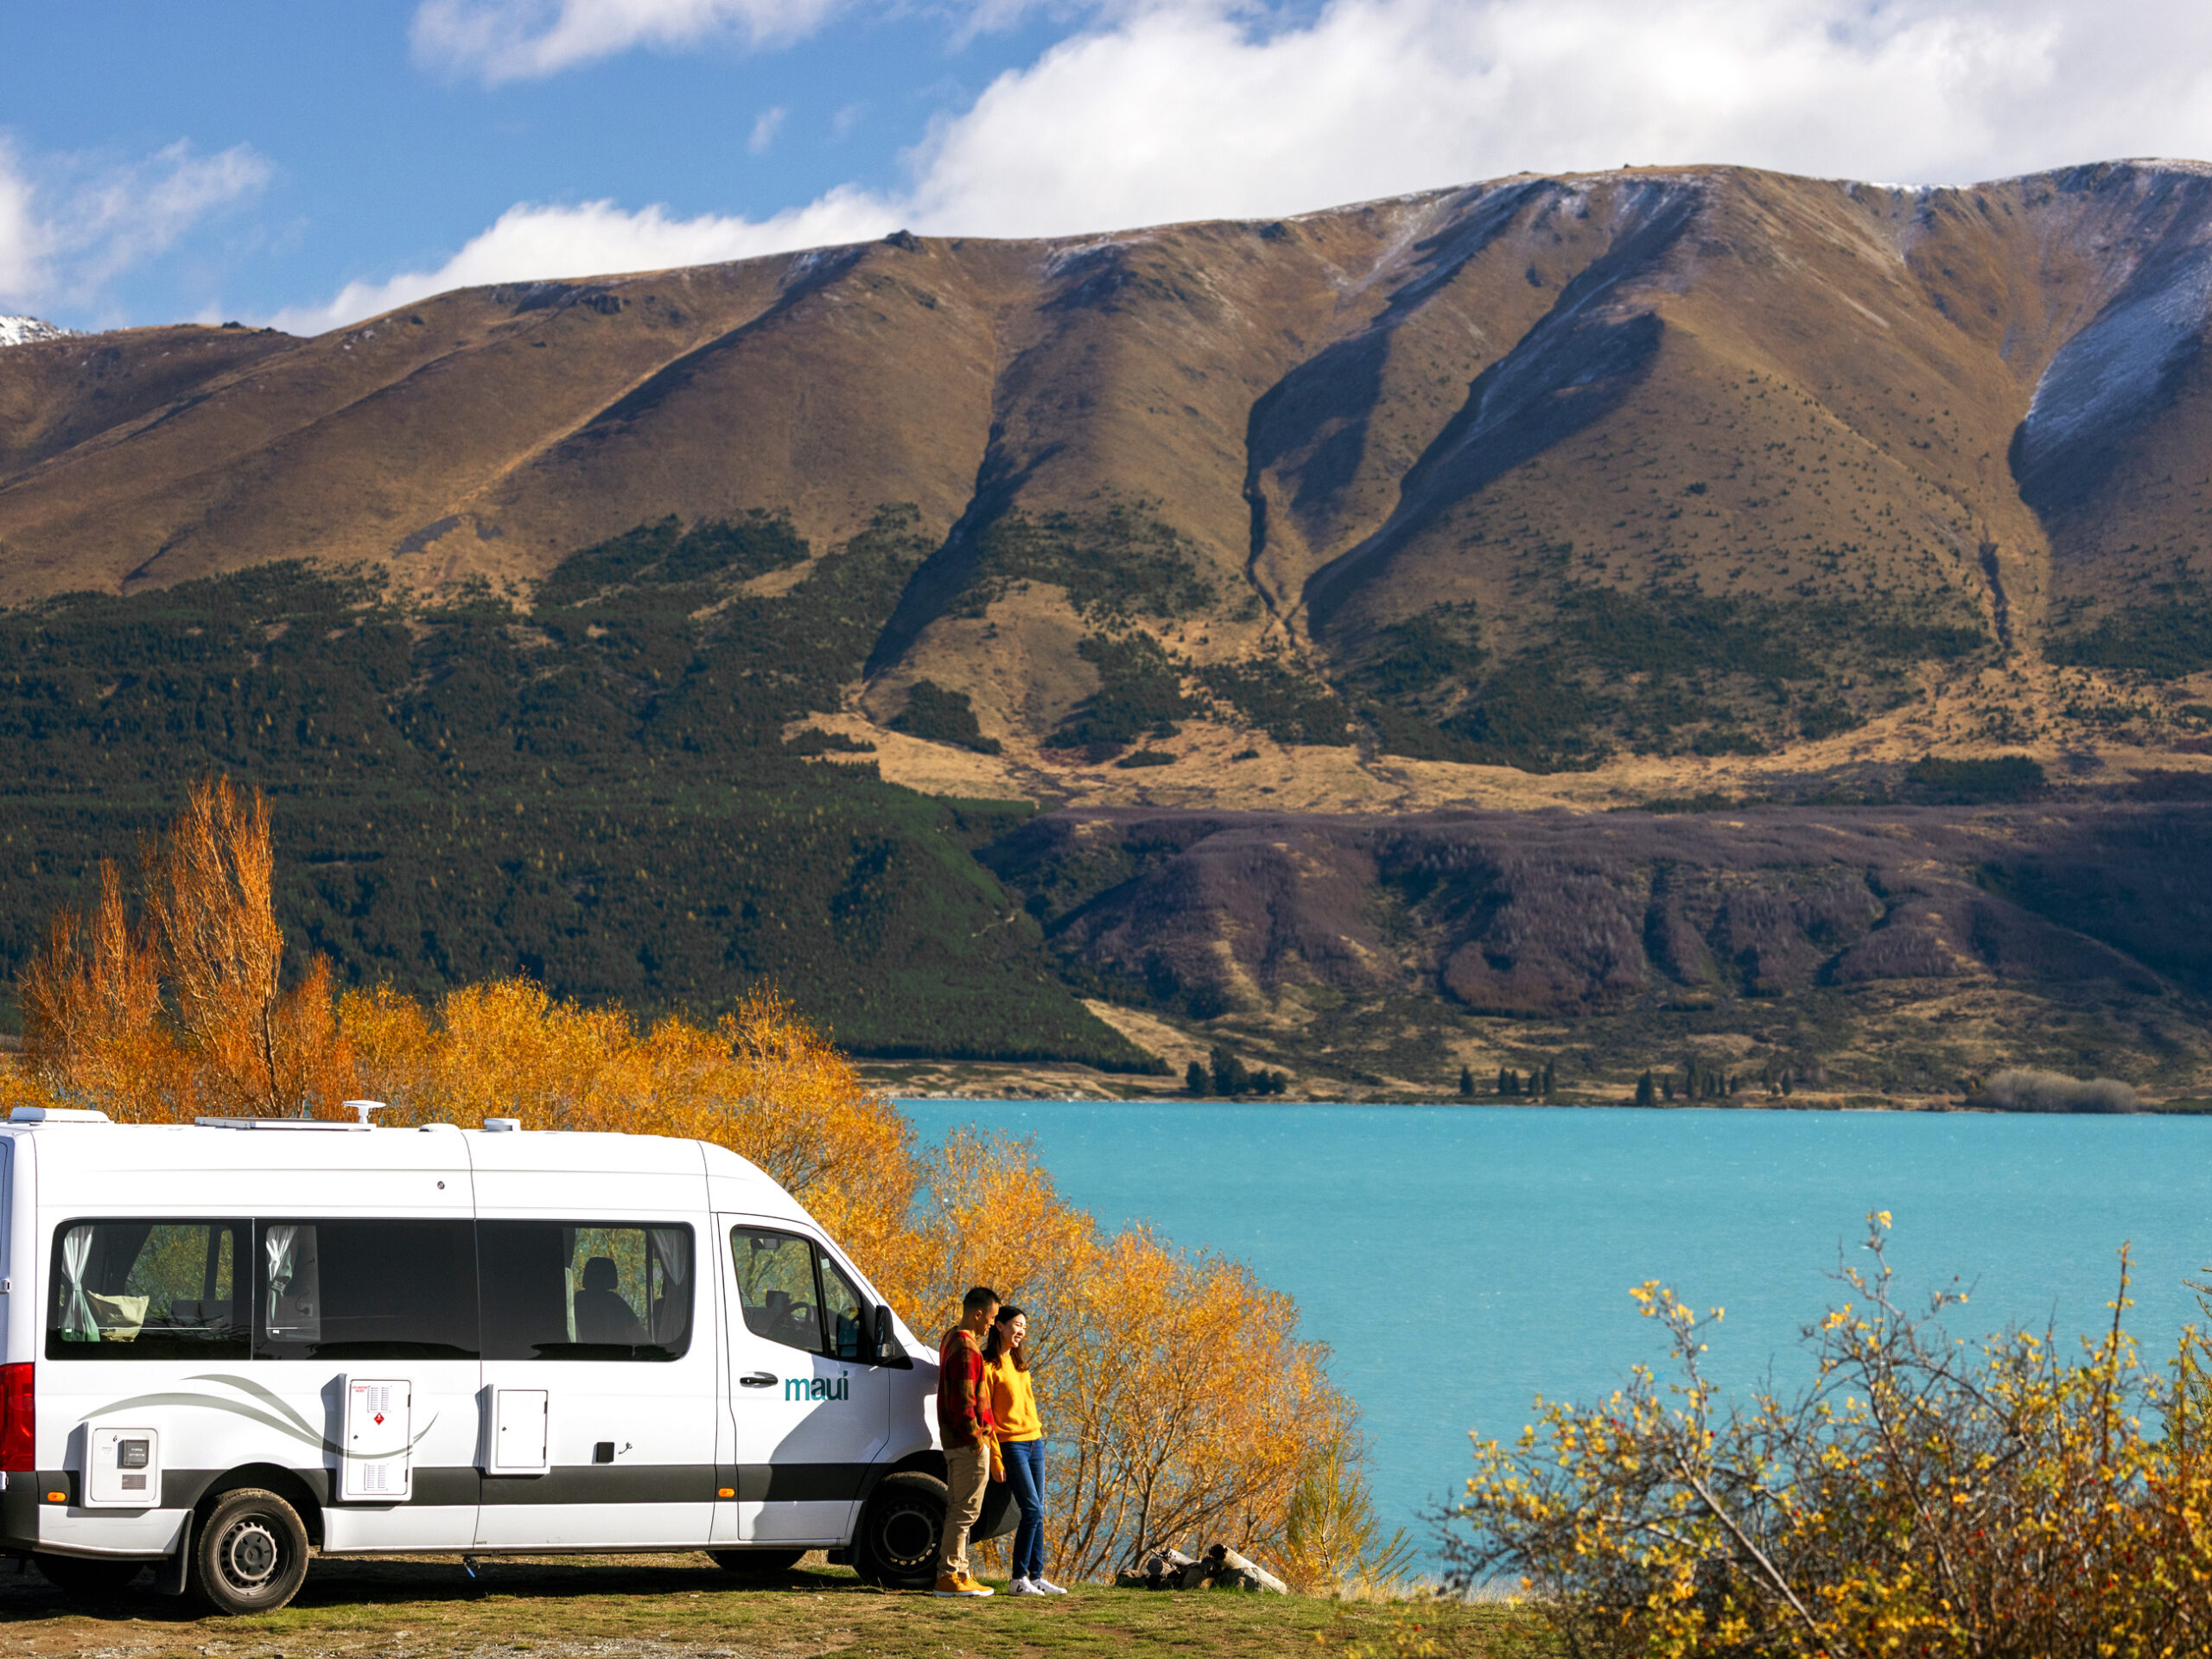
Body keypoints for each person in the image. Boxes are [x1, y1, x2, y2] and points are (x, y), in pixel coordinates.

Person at [985, 1305, 1065, 1595]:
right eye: (1017, 1325)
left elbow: (1028, 1406)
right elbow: (987, 1419)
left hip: (1035, 1443)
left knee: (1038, 1511)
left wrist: (1037, 1438)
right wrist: (995, 1457)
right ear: (999, 1326)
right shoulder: (988, 1367)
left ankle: (1037, 1576)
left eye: (1024, 1328)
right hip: (1011, 1445)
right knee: (1031, 1509)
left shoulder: (1020, 1366)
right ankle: (1017, 1579)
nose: (1021, 1331)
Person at [935, 1284, 1001, 1597]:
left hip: (956, 1443)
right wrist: (977, 1440)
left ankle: (961, 1572)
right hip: (967, 1444)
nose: (991, 1325)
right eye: (991, 1318)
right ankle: (948, 1576)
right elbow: (963, 1404)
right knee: (964, 1513)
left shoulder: (951, 1338)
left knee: (961, 1509)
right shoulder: (966, 1348)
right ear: (978, 1314)